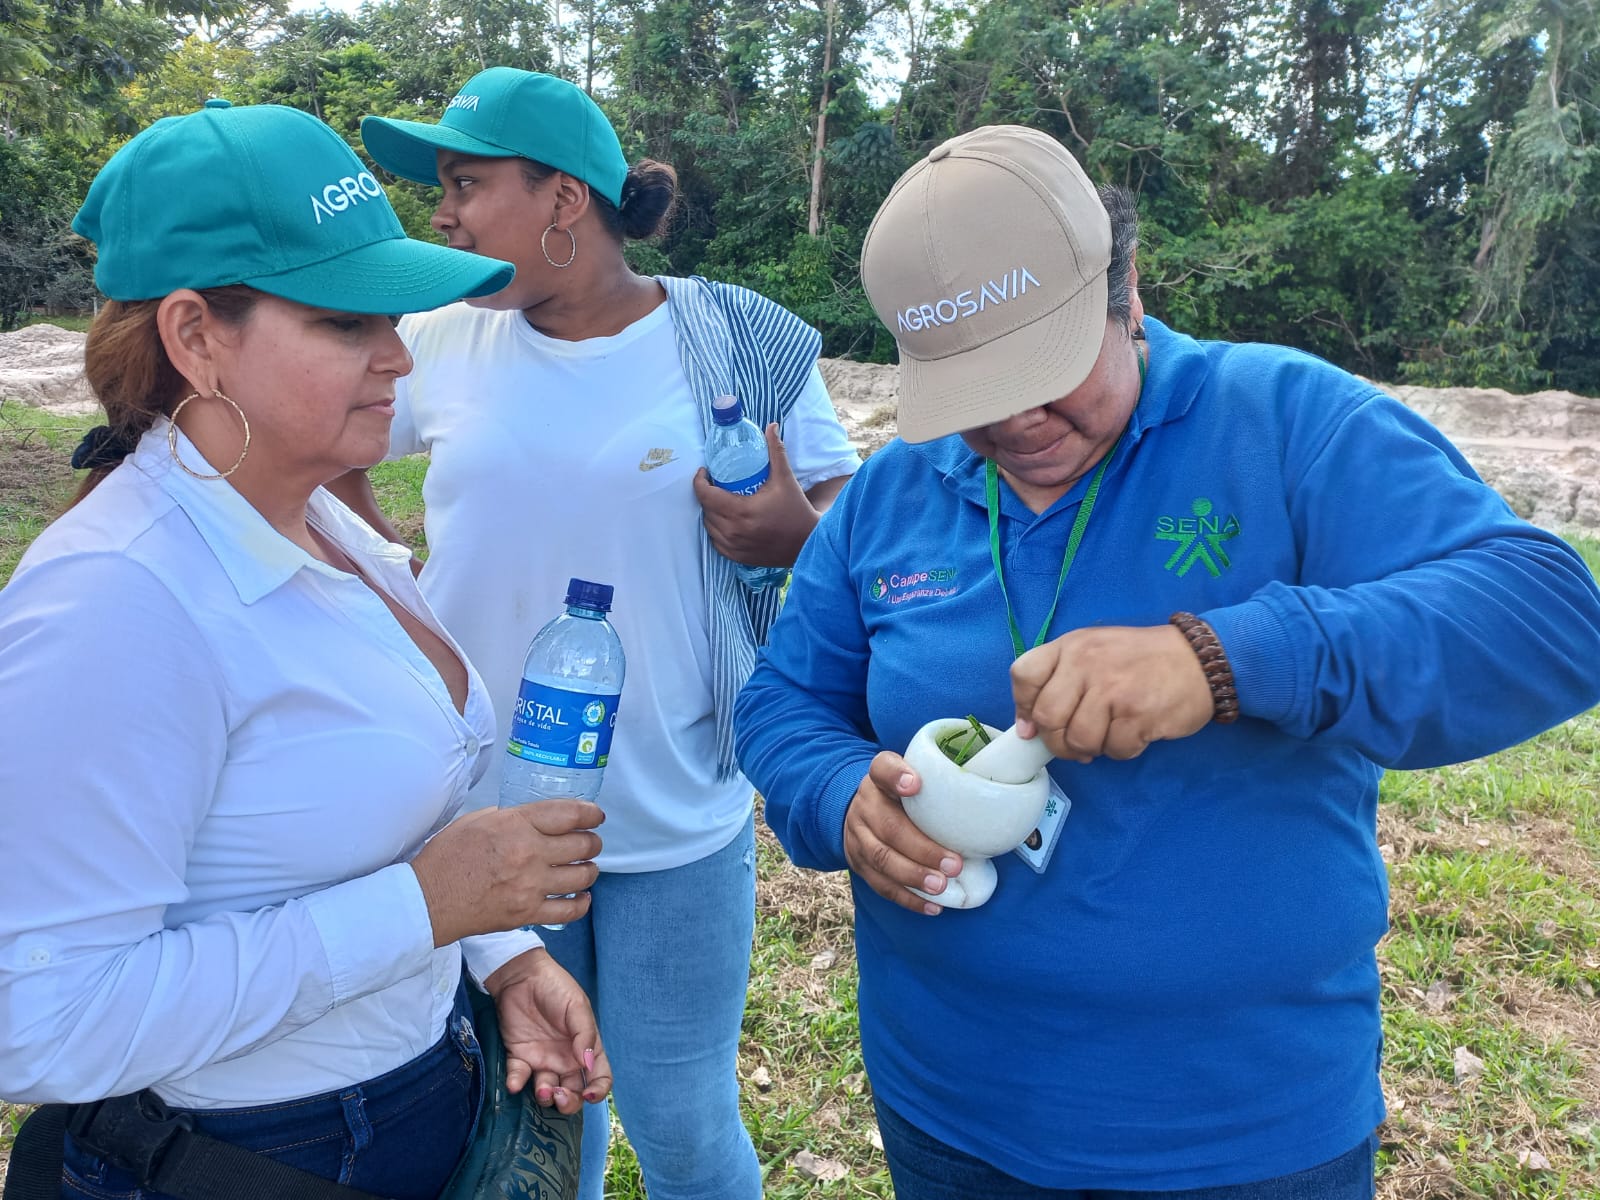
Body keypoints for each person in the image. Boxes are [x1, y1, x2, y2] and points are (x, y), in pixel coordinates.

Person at [734, 125, 1600, 1198]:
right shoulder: (892, 492)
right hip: (952, 1109)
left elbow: (1551, 616)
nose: (1015, 419)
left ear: (1125, 286)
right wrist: (834, 793)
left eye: (1046, 372)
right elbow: (781, 701)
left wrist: (1226, 658)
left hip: (1240, 1131)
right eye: (973, 390)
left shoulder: (1285, 423)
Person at [0, 100, 614, 1200]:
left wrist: (499, 955)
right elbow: (40, 1022)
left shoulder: (319, 515)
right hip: (253, 1152)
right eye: (345, 322)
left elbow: (355, 824)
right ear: (197, 338)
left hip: (407, 1096)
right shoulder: (119, 602)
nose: (397, 359)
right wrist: (429, 908)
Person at [325, 67, 860, 1200]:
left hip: (675, 810)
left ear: (563, 200)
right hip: (484, 821)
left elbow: (849, 529)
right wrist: (384, 576)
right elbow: (330, 457)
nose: (445, 213)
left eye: (467, 184)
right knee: (540, 1119)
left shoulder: (740, 341)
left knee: (681, 1119)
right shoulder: (440, 340)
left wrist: (792, 534)